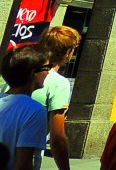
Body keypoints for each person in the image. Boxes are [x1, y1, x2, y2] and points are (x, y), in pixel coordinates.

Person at [33, 25, 80, 170]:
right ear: (68, 53)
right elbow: (57, 139)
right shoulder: (59, 83)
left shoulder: (16, 71)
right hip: (27, 156)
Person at [0, 46, 49, 170]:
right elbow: (23, 164)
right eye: (46, 68)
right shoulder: (34, 111)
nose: (48, 72)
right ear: (33, 74)